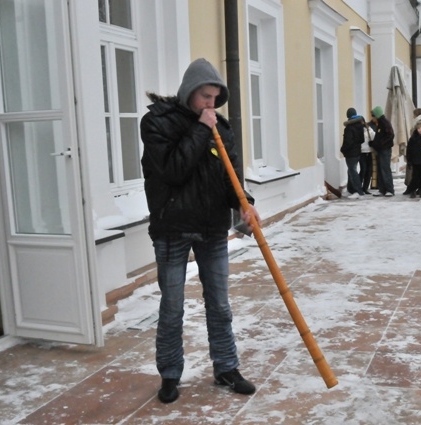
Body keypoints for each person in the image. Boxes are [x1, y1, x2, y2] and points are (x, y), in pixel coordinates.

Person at [140, 58, 259, 404]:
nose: (211, 104)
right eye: (205, 96)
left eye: (215, 98)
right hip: (172, 228)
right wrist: (201, 130)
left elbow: (229, 176)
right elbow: (173, 170)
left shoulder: (220, 127)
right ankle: (170, 374)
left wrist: (245, 203)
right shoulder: (157, 122)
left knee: (220, 304)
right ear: (189, 92)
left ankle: (226, 367)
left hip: (211, 228)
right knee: (172, 307)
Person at [403, 108, 421, 195]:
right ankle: (419, 188)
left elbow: (414, 135)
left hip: (417, 154)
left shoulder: (419, 123)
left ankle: (412, 188)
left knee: (415, 173)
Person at [369, 106, 395, 197]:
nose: (372, 118)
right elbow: (379, 137)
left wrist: (380, 144)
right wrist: (374, 144)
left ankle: (389, 189)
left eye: (373, 116)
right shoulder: (380, 124)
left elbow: (390, 136)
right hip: (380, 150)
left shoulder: (385, 123)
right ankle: (382, 189)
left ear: (377, 115)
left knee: (385, 169)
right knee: (380, 170)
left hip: (385, 150)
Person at [340, 108, 366, 198]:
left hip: (351, 153)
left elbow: (348, 142)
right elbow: (362, 140)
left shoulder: (349, 128)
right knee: (351, 170)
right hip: (357, 152)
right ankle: (350, 190)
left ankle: (358, 191)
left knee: (352, 171)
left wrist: (343, 149)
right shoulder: (360, 126)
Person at [359, 117, 376, 195]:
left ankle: (365, 188)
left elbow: (374, 137)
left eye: (362, 121)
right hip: (361, 152)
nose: (362, 123)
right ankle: (359, 187)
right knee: (363, 169)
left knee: (369, 171)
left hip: (369, 152)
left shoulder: (369, 129)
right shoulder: (358, 130)